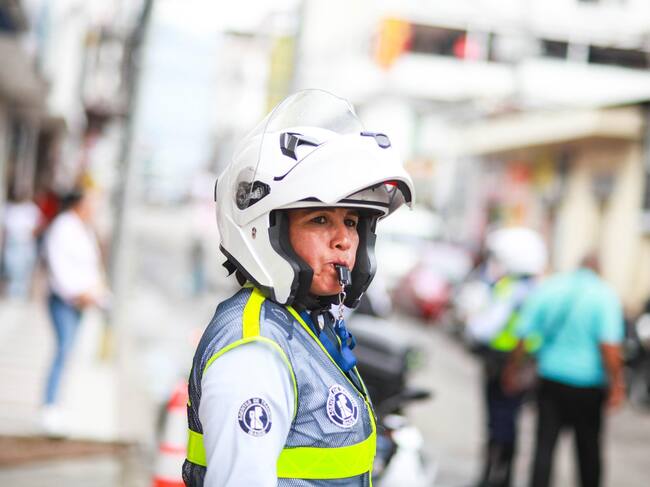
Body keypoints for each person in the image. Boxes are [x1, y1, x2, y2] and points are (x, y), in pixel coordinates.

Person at [182, 89, 414, 486]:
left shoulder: (303, 323)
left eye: (352, 222)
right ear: (266, 230)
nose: (344, 241)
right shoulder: (255, 353)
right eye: (320, 220)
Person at [505, 255, 625, 487]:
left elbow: (523, 332)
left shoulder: (552, 287)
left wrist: (513, 368)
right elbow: (610, 346)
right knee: (588, 449)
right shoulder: (604, 295)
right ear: (599, 269)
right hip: (587, 384)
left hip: (550, 376)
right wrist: (617, 384)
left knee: (544, 445)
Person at [466, 227, 547, 487]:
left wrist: (471, 323)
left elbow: (485, 327)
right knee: (511, 421)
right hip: (526, 364)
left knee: (497, 422)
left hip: (502, 364)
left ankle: (491, 477)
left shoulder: (508, 288)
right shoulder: (538, 290)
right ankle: (505, 476)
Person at [41, 185, 108, 434]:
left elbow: (91, 267)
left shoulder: (84, 228)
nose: (95, 208)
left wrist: (96, 292)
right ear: (80, 204)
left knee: (68, 353)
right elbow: (58, 267)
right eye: (92, 203)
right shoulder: (63, 227)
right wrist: (77, 293)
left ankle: (57, 404)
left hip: (82, 301)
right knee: (62, 351)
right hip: (64, 301)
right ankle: (49, 406)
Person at [1, 188, 42, 299]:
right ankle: (12, 294)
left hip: (26, 243)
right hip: (12, 243)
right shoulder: (8, 208)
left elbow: (39, 225)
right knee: (12, 268)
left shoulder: (31, 208)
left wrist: (29, 235)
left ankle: (21, 294)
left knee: (24, 269)